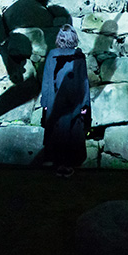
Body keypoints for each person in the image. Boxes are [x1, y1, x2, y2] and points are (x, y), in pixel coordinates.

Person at [40, 24, 91, 177]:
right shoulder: (79, 56)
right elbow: (84, 81)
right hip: (74, 100)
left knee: (58, 131)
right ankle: (67, 165)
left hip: (56, 100)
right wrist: (85, 103)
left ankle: (60, 164)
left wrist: (45, 103)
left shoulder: (53, 55)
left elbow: (47, 80)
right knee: (72, 132)